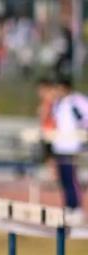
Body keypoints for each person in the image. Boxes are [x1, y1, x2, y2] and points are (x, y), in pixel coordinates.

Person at [49, 78, 88, 221]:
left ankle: (76, 207)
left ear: (66, 88)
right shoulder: (57, 103)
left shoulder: (77, 101)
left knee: (72, 178)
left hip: (73, 146)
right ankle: (68, 206)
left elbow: (85, 118)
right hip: (60, 145)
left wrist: (82, 137)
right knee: (64, 178)